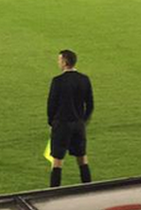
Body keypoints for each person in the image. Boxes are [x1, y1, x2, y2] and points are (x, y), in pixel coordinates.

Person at [47, 50, 94, 187]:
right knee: (82, 158)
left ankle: (54, 192)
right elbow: (90, 104)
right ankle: (89, 189)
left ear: (65, 62)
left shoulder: (58, 81)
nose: (58, 62)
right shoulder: (84, 79)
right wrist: (82, 121)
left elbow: (51, 104)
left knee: (57, 161)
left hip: (61, 124)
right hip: (78, 125)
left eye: (60, 60)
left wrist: (52, 122)